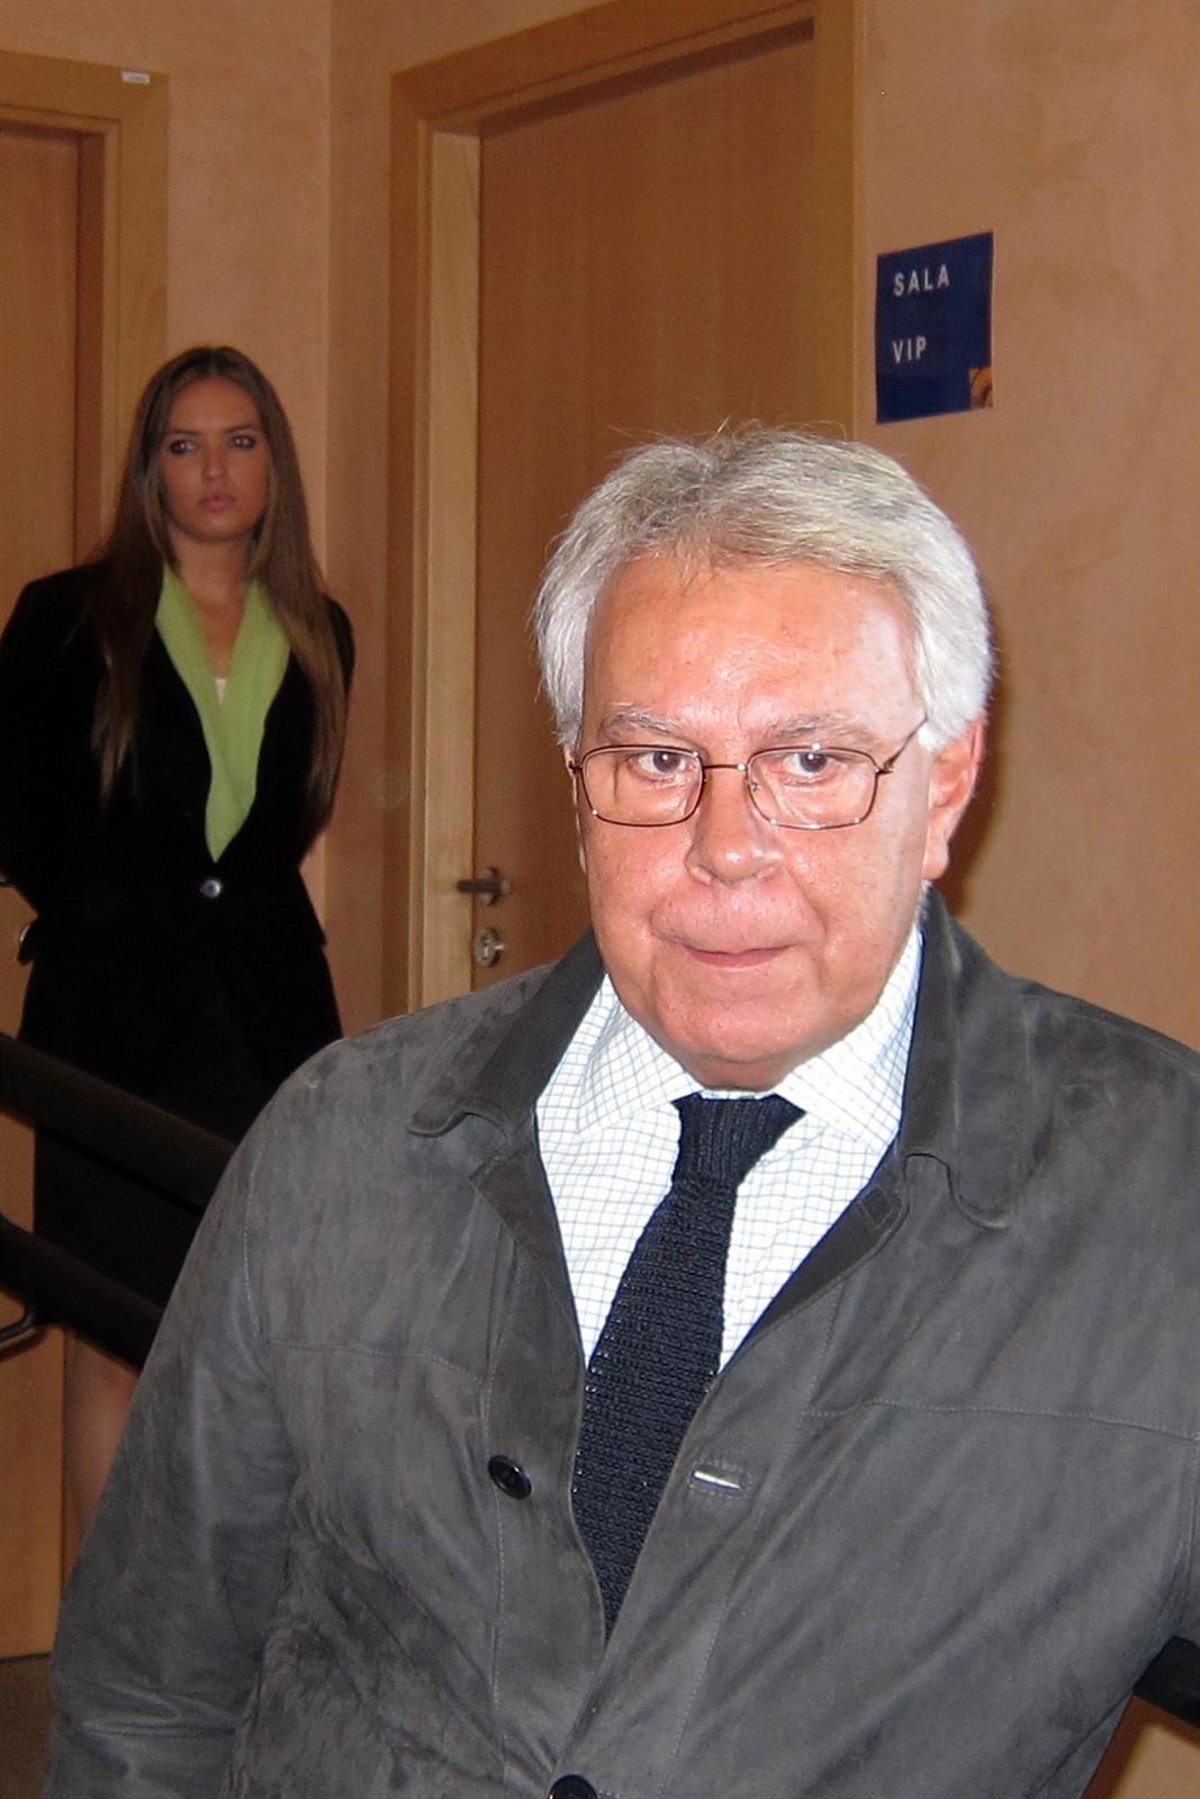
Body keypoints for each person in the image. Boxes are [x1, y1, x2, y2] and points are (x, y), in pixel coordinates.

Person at [45, 428, 1199, 1797]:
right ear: (578, 788)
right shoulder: (341, 1147)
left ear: (944, 782)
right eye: (656, 760)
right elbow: (145, 1696)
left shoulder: (1160, 1199)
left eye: (812, 759)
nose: (726, 847)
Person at [0, 345, 353, 1537]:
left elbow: (290, 816)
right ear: (151, 468)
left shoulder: (321, 627)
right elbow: (15, 810)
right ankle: (110, 1627)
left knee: (255, 1340)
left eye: (240, 441)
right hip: (107, 1023)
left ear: (273, 464)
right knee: (113, 1336)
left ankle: (222, 1619)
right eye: (184, 443)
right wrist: (116, 906)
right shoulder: (67, 615)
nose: (214, 468)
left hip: (266, 1024)